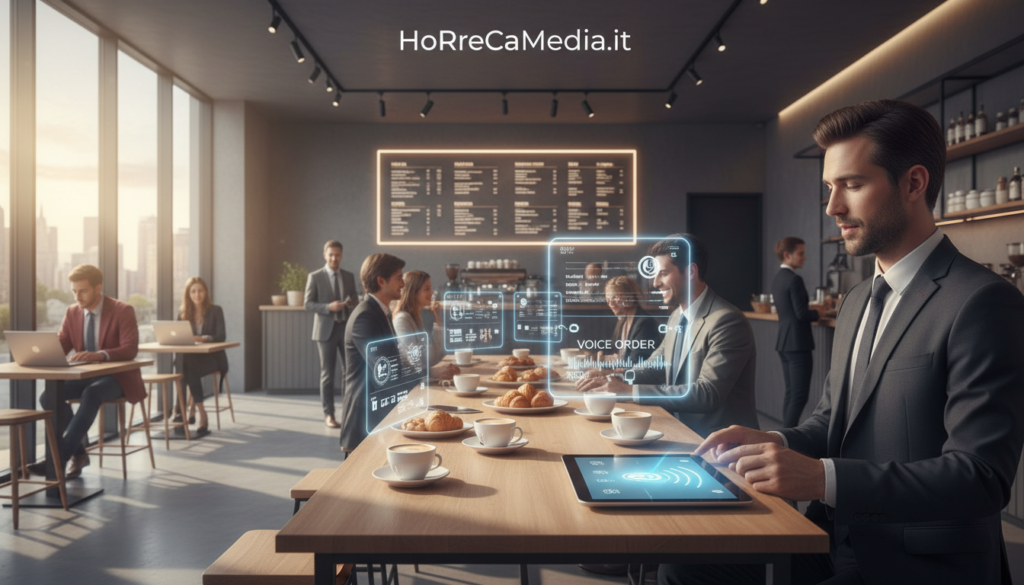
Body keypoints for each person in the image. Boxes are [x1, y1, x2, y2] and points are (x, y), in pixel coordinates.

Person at [676, 100, 1024, 584]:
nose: (833, 207)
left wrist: (821, 479)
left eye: (853, 185)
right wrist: (770, 442)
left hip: (917, 561)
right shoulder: (859, 299)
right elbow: (831, 423)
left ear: (914, 183)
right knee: (686, 566)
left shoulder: (983, 302)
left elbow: (980, 478)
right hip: (834, 536)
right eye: (829, 188)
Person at [575, 235, 758, 580]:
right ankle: (638, 555)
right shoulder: (678, 317)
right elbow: (657, 364)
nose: (653, 282)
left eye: (661, 274)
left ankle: (648, 558)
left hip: (719, 449)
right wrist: (612, 371)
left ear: (689, 271)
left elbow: (706, 394)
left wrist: (629, 390)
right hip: (683, 436)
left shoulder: (726, 321)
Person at [31, 264, 145, 479]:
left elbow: (130, 348)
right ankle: (79, 453)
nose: (77, 296)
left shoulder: (122, 310)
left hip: (117, 377)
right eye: (74, 291)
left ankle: (57, 460)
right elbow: (63, 343)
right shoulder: (72, 312)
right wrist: (40, 353)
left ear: (98, 288)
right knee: (48, 397)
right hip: (87, 376)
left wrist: (100, 354)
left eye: (82, 290)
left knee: (91, 394)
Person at [339, 252, 406, 454]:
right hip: (364, 422)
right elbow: (386, 372)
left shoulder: (380, 312)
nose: (403, 283)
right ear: (380, 280)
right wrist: (429, 376)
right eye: (398, 278)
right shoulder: (365, 317)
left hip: (379, 417)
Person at [305, 240, 358, 429]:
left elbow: (355, 300)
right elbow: (308, 304)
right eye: (331, 254)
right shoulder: (315, 277)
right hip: (325, 331)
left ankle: (348, 412)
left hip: (345, 329)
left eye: (337, 255)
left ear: (341, 255)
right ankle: (329, 414)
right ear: (324, 255)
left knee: (348, 373)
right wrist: (329, 307)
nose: (334, 258)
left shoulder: (349, 276)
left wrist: (350, 302)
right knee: (327, 375)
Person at [771, 236, 819, 427]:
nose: (804, 257)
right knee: (799, 396)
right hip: (798, 343)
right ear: (787, 255)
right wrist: (818, 312)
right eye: (801, 253)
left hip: (784, 342)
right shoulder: (794, 279)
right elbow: (801, 314)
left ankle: (784, 434)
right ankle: (787, 439)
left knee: (791, 393)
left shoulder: (778, 278)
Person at [173, 276, 227, 437]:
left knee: (185, 366)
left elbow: (221, 336)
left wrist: (204, 338)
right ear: (188, 294)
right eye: (193, 291)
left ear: (206, 292)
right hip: (192, 361)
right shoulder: (182, 312)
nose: (197, 294)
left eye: (201, 291)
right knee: (185, 364)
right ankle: (193, 412)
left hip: (213, 359)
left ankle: (182, 412)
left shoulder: (216, 310)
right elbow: (176, 336)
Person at [392, 270, 459, 380]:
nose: (432, 293)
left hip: (420, 380)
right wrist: (433, 371)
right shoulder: (402, 320)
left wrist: (439, 320)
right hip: (412, 386)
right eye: (427, 289)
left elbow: (431, 358)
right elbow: (420, 361)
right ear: (413, 292)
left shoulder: (414, 317)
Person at [599, 275, 662, 366]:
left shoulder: (645, 323)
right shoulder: (622, 322)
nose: (611, 304)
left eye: (615, 298)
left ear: (629, 296)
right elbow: (618, 354)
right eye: (608, 300)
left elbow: (636, 362)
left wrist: (605, 361)